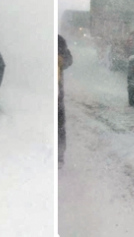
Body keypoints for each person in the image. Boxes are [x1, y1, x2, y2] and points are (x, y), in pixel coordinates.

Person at [58, 35, 73, 168]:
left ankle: (59, 156)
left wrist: (61, 60)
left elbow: (69, 60)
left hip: (57, 91)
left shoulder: (59, 41)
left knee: (59, 124)